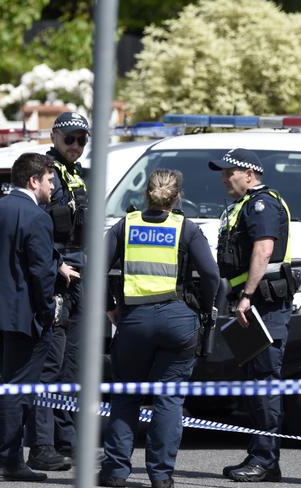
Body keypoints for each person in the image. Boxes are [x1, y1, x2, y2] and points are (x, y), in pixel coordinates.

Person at [98, 169, 220, 488]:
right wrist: (205, 310)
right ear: (177, 195)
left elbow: (95, 265)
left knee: (126, 395)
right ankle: (161, 475)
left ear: (145, 194)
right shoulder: (186, 228)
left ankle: (115, 472)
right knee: (169, 398)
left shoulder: (126, 224)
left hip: (134, 320)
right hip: (177, 318)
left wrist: (110, 306)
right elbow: (211, 275)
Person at [0, 153, 58, 482]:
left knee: (11, 384)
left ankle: (10, 458)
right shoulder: (36, 217)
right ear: (33, 181)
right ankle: (7, 460)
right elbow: (41, 273)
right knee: (18, 388)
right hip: (24, 317)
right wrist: (48, 311)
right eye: (49, 179)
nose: (53, 185)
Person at [208, 148, 295, 483]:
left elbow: (264, 249)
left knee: (264, 383)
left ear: (249, 173)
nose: (223, 177)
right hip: (250, 302)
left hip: (264, 304)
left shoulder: (262, 203)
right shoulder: (243, 205)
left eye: (228, 172)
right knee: (254, 383)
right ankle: (260, 456)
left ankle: (265, 460)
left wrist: (246, 296)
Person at [25, 111, 88, 471]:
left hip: (81, 277)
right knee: (51, 363)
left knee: (73, 366)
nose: (77, 146)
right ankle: (42, 445)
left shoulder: (78, 175)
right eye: (71, 139)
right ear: (55, 136)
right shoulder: (46, 174)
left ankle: (68, 440)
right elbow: (39, 229)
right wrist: (55, 265)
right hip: (59, 276)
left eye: (82, 140)